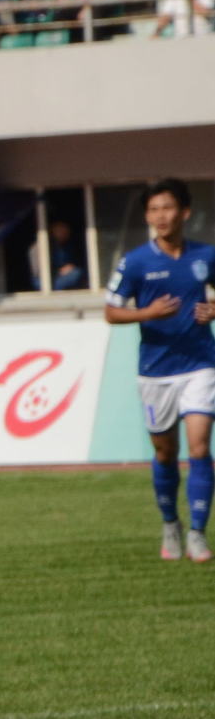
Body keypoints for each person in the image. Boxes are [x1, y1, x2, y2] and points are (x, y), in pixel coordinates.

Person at [103, 179, 215, 564]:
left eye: (167, 208)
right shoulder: (135, 262)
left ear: (184, 212)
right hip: (155, 370)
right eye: (153, 210)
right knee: (165, 453)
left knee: (200, 446)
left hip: (201, 362)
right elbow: (111, 311)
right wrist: (147, 313)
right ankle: (171, 524)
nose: (160, 216)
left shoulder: (205, 255)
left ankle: (199, 533)